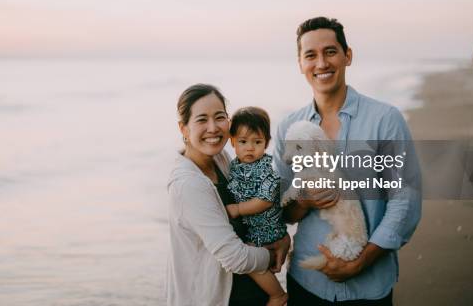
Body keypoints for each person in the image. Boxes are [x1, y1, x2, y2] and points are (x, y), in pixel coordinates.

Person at [273, 17, 422, 305]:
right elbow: (280, 208)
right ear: (300, 64)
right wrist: (304, 201)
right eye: (310, 55)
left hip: (368, 286)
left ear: (347, 56)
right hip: (307, 283)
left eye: (330, 52)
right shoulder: (289, 128)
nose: (321, 63)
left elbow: (405, 200)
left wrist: (361, 261)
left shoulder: (385, 120)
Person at [167, 84, 291, 306]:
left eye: (220, 117)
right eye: (202, 119)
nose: (213, 128)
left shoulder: (221, 159)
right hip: (217, 299)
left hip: (250, 291)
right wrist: (270, 254)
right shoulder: (188, 184)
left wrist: (282, 237)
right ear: (183, 129)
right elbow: (235, 258)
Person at [225, 107, 288, 306]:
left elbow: (265, 200)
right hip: (252, 227)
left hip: (267, 228)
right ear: (232, 141)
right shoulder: (233, 166)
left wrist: (238, 209)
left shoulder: (269, 168)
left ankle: (278, 295)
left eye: (257, 142)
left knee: (251, 260)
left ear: (267, 143)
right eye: (243, 142)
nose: (250, 148)